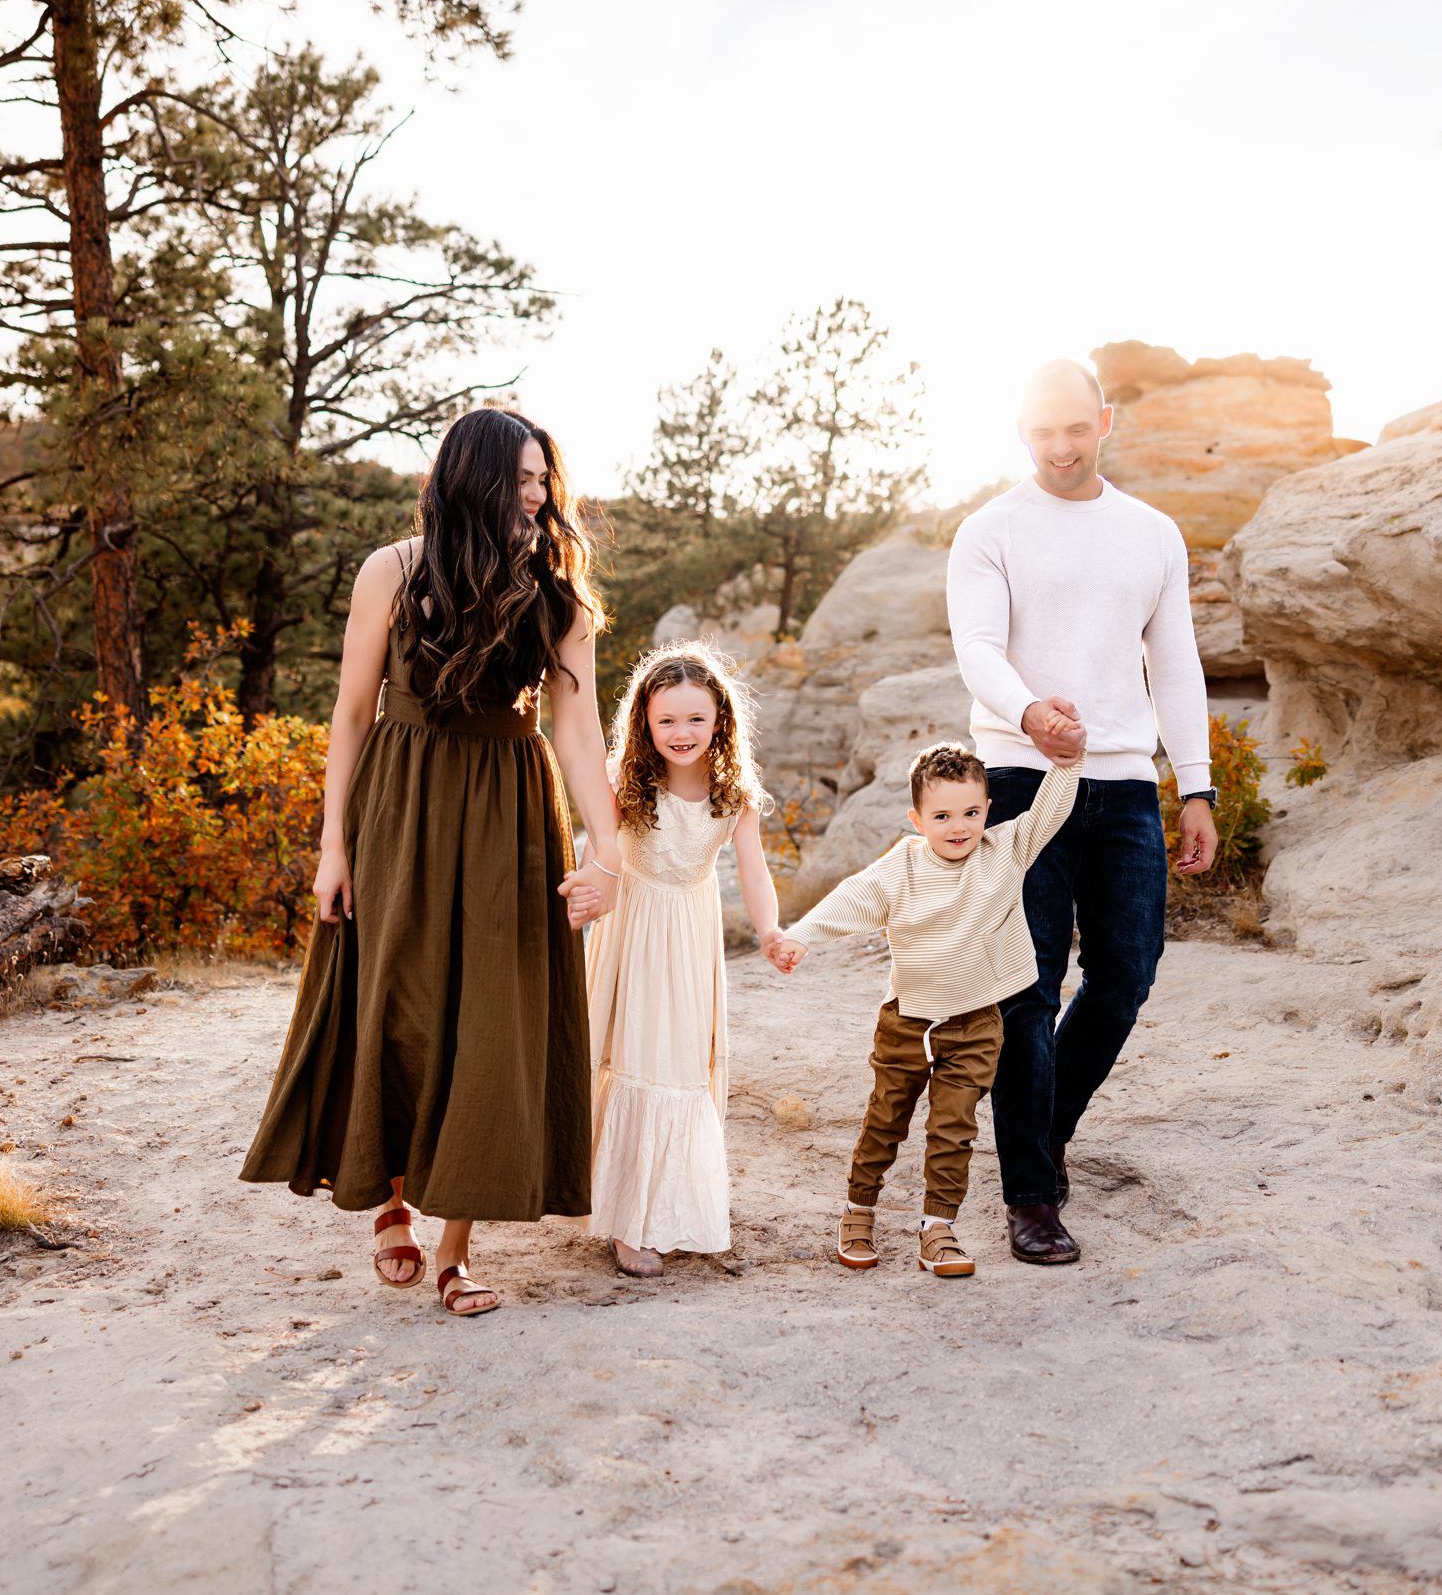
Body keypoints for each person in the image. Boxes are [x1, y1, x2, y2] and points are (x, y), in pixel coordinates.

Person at [238, 406, 623, 1318]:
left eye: (544, 481)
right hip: (402, 807)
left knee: (492, 1022)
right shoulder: (392, 572)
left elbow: (578, 731)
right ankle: (394, 1204)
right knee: (403, 1005)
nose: (537, 497)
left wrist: (605, 850)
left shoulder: (558, 595)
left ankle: (457, 1248)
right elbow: (351, 715)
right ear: (472, 479)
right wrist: (333, 845)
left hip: (510, 813)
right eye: (522, 479)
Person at [946, 359, 1219, 1268]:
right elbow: (977, 647)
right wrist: (1028, 712)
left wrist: (1197, 783)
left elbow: (1175, 665)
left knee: (1126, 975)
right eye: (1041, 432)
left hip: (1126, 787)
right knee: (1028, 989)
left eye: (1074, 429)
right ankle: (1029, 1194)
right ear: (1021, 432)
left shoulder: (1151, 532)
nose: (1059, 448)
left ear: (1104, 421)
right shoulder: (991, 531)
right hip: (1023, 775)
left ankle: (1040, 1135)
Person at [770, 742, 1080, 1277]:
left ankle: (938, 1227)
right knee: (886, 1120)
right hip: (908, 1021)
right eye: (941, 816)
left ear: (987, 809)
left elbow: (1052, 806)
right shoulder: (904, 866)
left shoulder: (1005, 850)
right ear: (917, 820)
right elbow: (852, 896)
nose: (958, 826)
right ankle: (858, 1210)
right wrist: (802, 936)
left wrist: (1070, 760)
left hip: (977, 1024)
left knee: (953, 1129)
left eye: (970, 812)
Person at [583, 644, 788, 1276]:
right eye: (667, 720)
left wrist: (771, 931)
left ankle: (664, 1204)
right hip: (631, 927)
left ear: (721, 720)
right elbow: (595, 848)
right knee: (634, 1056)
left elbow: (752, 873)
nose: (681, 733)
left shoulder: (735, 792)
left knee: (680, 1067)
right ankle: (626, 1221)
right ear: (644, 721)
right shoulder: (626, 780)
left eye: (696, 719)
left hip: (691, 938)